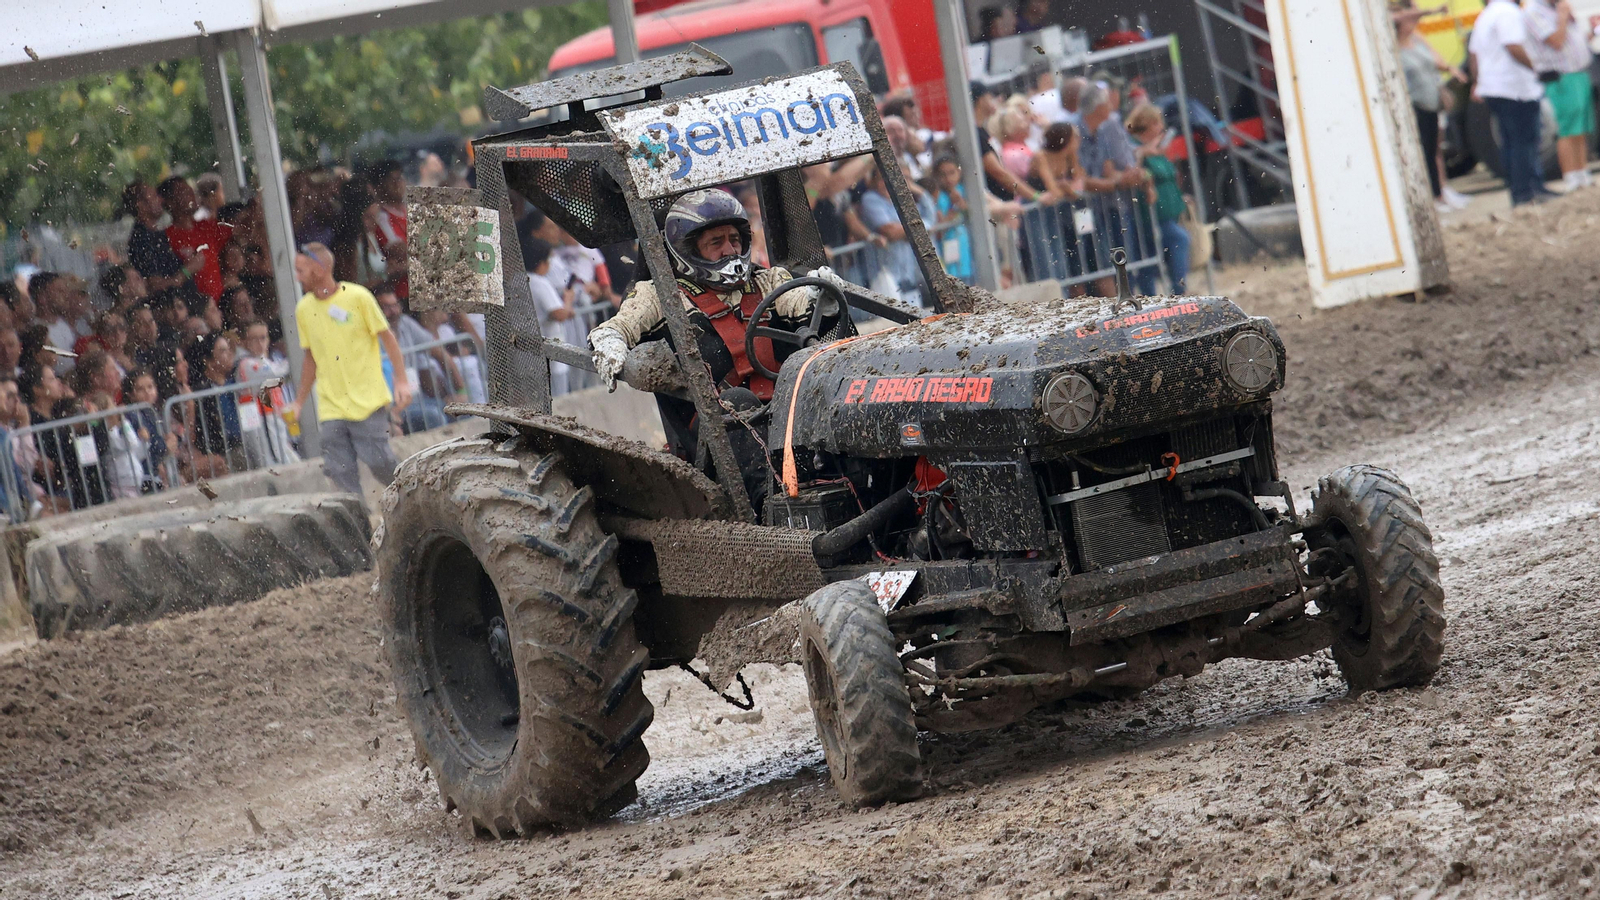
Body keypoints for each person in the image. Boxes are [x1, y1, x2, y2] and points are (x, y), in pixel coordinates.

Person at [588, 190, 834, 505]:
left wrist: (819, 296)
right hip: (710, 429)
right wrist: (611, 345)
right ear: (688, 250)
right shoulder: (658, 295)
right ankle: (768, 503)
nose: (730, 249)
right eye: (716, 243)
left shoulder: (769, 281)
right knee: (739, 401)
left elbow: (800, 301)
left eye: (735, 239)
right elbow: (614, 329)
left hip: (782, 406)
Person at [289, 244, 412, 497]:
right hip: (331, 406)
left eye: (301, 270)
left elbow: (387, 338)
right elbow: (310, 358)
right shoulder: (303, 309)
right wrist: (299, 402)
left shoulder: (358, 297)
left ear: (319, 269)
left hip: (367, 400)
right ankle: (360, 526)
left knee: (378, 461)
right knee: (339, 471)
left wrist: (401, 380)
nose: (297, 277)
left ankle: (412, 494)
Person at [1469, 0, 1551, 206]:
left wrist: (1478, 82)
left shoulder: (1486, 15)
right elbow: (1513, 45)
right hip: (1514, 88)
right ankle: (1528, 191)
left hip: (1495, 88)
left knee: (1511, 143)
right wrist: (1537, 68)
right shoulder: (1507, 12)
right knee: (1525, 141)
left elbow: (1473, 54)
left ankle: (1519, 190)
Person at [1394, 2, 1467, 210]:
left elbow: (1437, 61)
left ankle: (1440, 193)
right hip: (1415, 106)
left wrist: (1453, 70)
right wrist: (1432, 11)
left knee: (1434, 150)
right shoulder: (1393, 45)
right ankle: (1432, 197)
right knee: (1424, 152)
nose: (1415, 22)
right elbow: (1397, 17)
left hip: (1431, 104)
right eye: (1411, 18)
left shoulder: (1417, 39)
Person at [1078, 82, 1149, 295]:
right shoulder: (1076, 131)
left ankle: (1124, 303)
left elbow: (1107, 170)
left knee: (1115, 258)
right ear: (1098, 107)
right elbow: (1082, 180)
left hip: (1104, 207)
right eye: (1107, 100)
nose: (1111, 104)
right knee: (1100, 263)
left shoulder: (1100, 130)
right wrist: (1117, 182)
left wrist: (1121, 177)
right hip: (1084, 210)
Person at [1524, 0, 1595, 191]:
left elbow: (1576, 39)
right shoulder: (1534, 13)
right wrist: (1562, 17)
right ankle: (1571, 175)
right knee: (1566, 128)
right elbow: (1556, 41)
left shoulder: (1555, 10)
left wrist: (1592, 30)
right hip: (1560, 78)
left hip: (1578, 72)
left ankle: (1582, 172)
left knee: (1580, 126)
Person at [375, 283, 460, 430]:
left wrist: (460, 391)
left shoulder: (405, 324)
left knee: (460, 411)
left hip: (418, 400)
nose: (393, 311)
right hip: (393, 409)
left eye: (395, 305)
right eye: (386, 308)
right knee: (434, 417)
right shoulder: (370, 337)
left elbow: (439, 352)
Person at [1127, 104, 1191, 296]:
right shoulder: (1134, 146)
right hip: (1149, 216)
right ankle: (1177, 292)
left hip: (1168, 214)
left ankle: (1161, 295)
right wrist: (1143, 153)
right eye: (1156, 123)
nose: (1161, 127)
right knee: (1179, 240)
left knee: (1154, 259)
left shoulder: (1158, 149)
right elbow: (1133, 170)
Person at [158, 176, 232, 302]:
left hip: (220, 307)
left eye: (190, 190)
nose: (191, 194)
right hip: (195, 309)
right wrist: (186, 271)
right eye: (183, 192)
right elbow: (160, 282)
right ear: (170, 203)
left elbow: (241, 230)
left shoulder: (206, 227)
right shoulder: (167, 237)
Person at [523, 236, 580, 398]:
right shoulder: (540, 283)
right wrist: (568, 301)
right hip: (551, 355)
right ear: (541, 262)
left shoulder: (518, 281)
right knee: (559, 399)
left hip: (530, 356)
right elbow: (558, 313)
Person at [123, 181, 196, 292]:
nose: (161, 200)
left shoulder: (157, 234)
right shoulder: (141, 240)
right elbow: (155, 285)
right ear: (141, 205)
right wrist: (187, 270)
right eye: (154, 196)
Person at [932, 157, 974, 284]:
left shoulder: (965, 190)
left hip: (968, 252)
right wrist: (953, 208)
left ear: (959, 172)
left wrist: (961, 203)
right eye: (943, 175)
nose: (948, 179)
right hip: (949, 250)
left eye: (952, 173)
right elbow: (939, 226)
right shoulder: (939, 197)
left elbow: (972, 213)